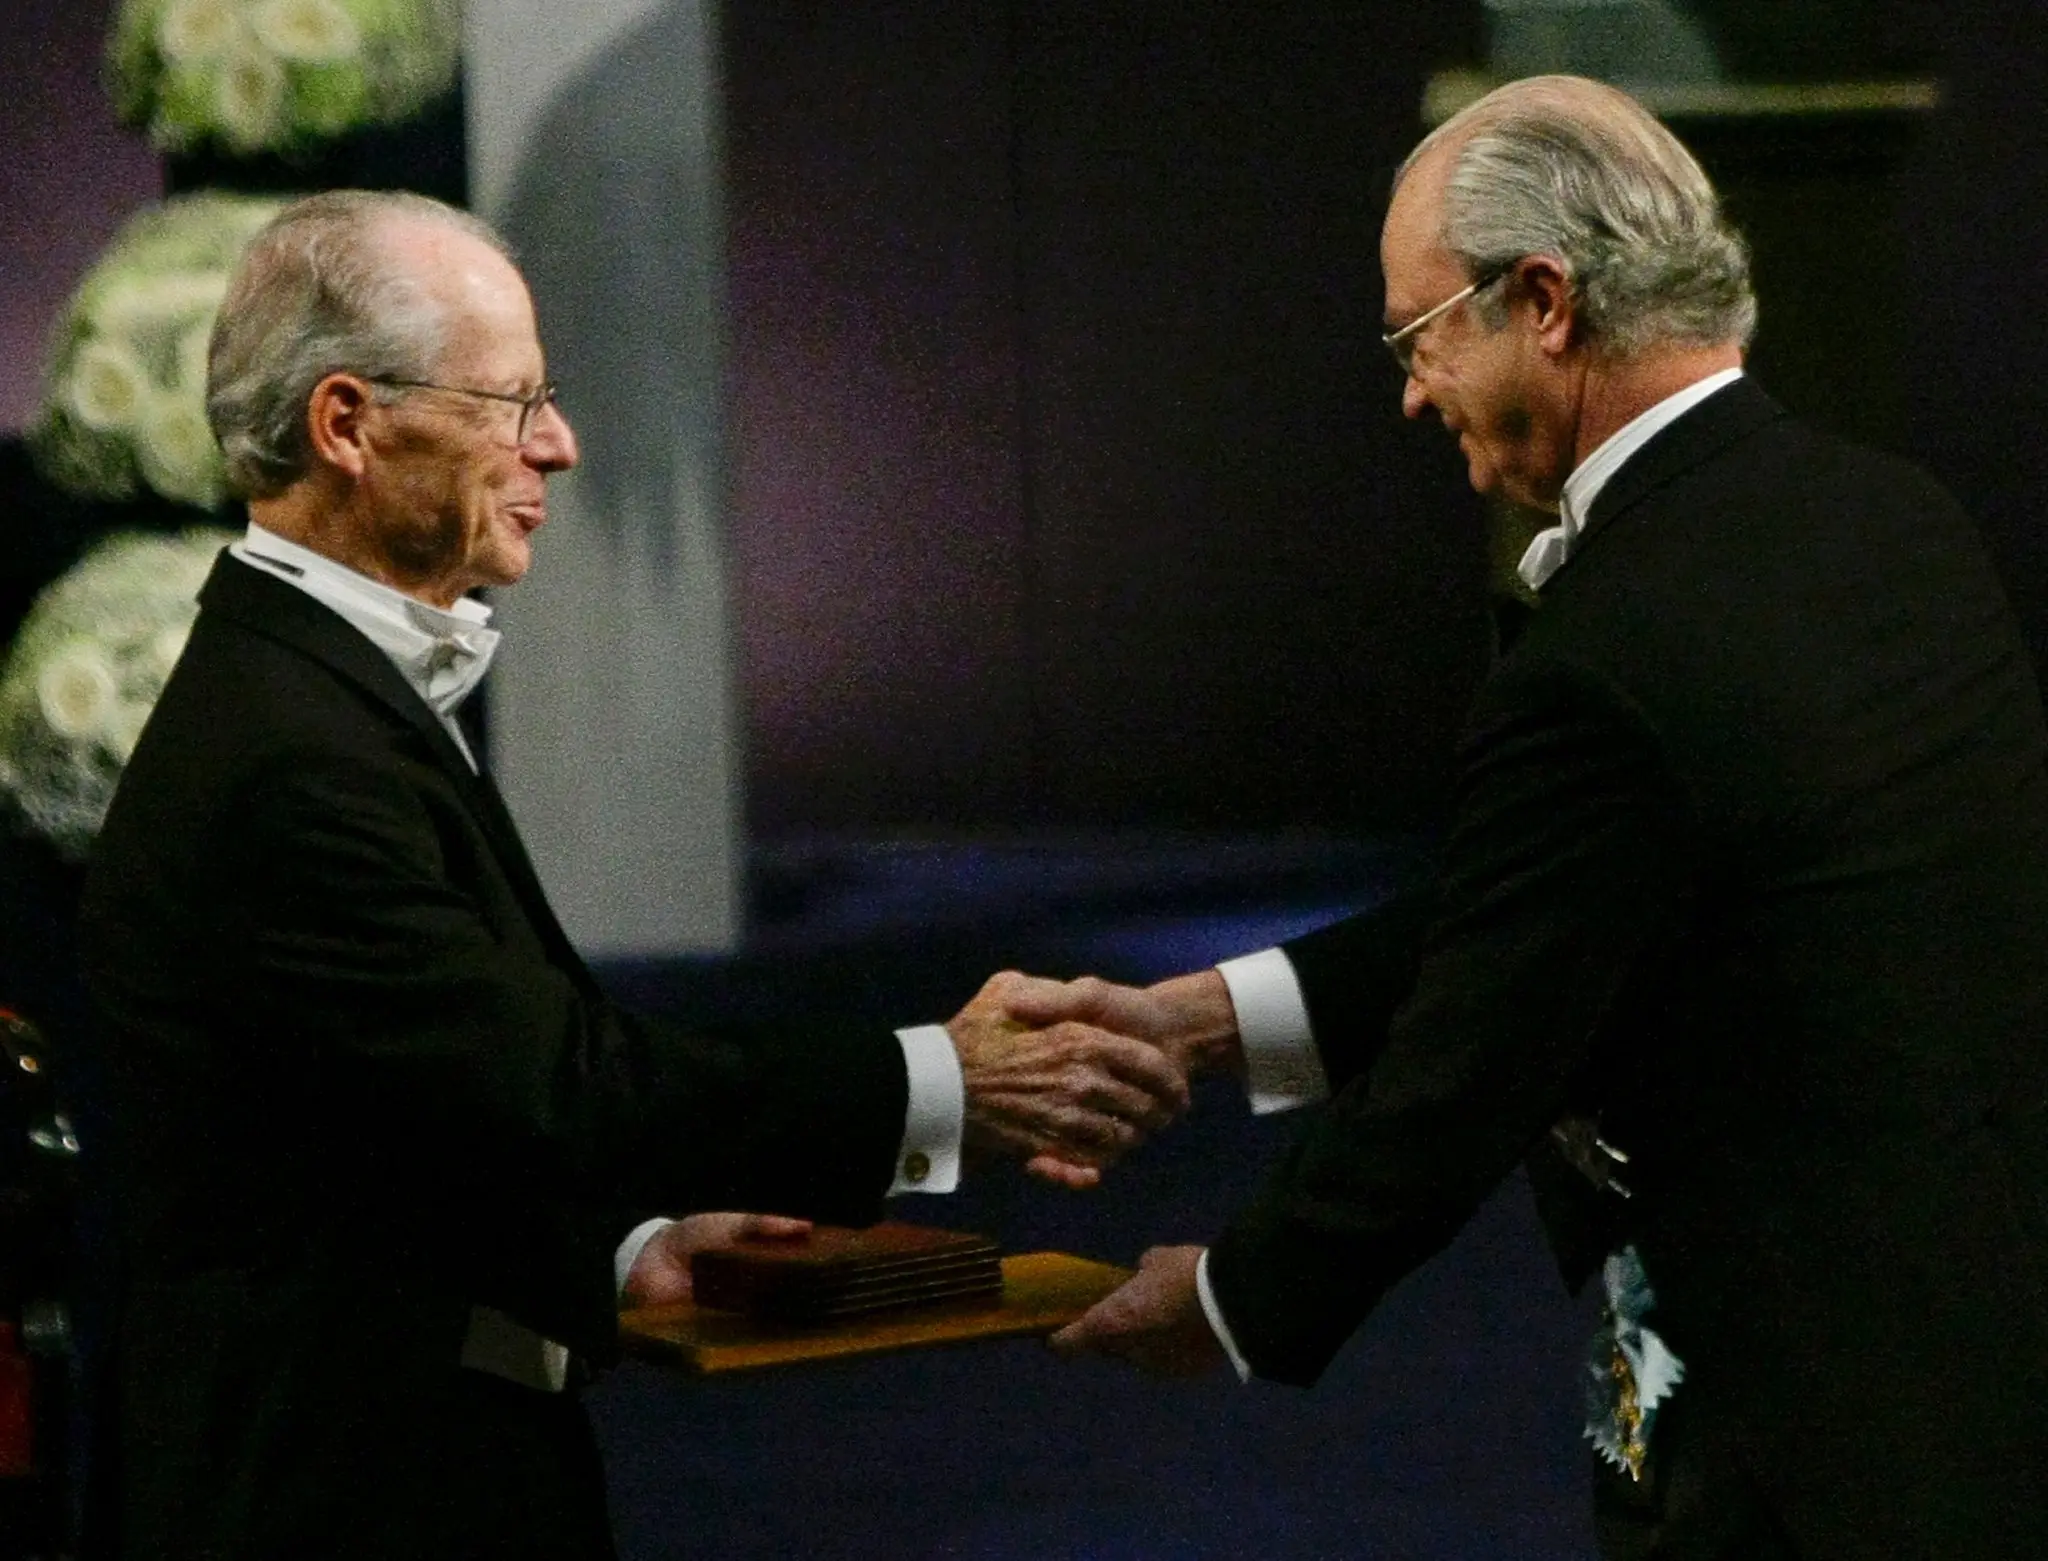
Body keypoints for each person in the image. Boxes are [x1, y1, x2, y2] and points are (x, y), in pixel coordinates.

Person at [76, 189, 1187, 1561]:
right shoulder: (288, 752)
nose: (561, 442)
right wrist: (951, 1076)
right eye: (510, 401)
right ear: (348, 425)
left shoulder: (306, 693)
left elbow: (407, 1122)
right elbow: (553, 1085)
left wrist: (619, 1252)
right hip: (334, 1495)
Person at [1035, 74, 2048, 1557]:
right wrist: (1200, 1021)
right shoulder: (1894, 522)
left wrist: (1233, 1297)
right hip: (1981, 1357)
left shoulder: (1612, 650)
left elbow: (1475, 1053)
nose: (1406, 389)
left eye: (1416, 333)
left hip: (1793, 1431)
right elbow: (1573, 900)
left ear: (1546, 302)